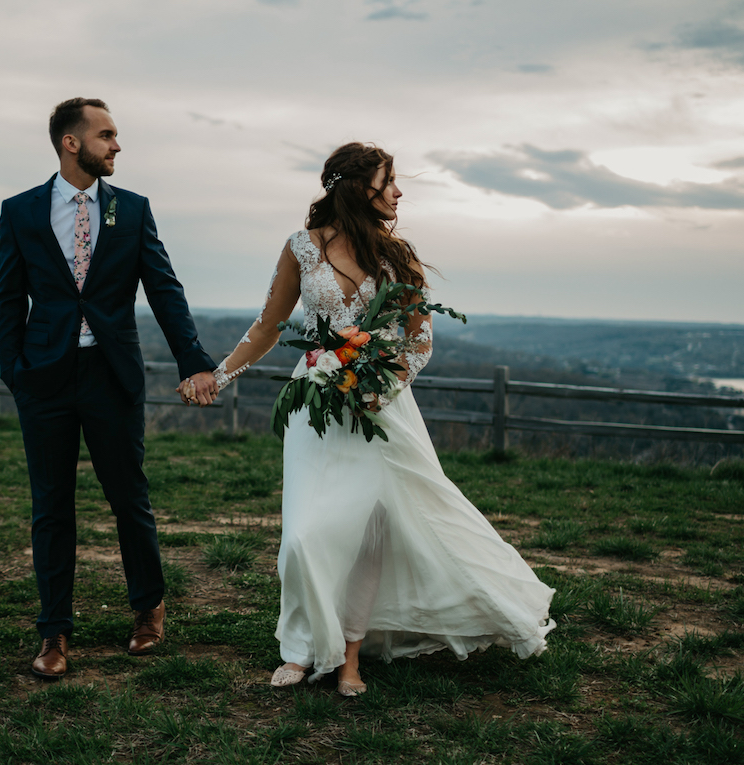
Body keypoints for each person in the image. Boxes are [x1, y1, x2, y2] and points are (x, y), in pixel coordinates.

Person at [204, 142, 556, 696]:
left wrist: (382, 386)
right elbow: (268, 326)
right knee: (304, 535)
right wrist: (217, 377)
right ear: (355, 187)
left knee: (369, 531)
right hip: (315, 404)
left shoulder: (398, 256)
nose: (398, 192)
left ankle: (349, 657)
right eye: (388, 182)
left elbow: (419, 340)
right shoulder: (301, 247)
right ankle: (299, 648)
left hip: (381, 408)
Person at [0, 97, 219, 678]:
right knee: (50, 507)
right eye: (106, 134)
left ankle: (148, 609)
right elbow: (8, 298)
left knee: (128, 497)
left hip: (111, 375)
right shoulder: (19, 211)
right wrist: (15, 371)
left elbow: (164, 290)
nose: (117, 145)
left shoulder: (132, 209)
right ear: (71, 143)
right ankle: (54, 632)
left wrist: (193, 361)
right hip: (44, 378)